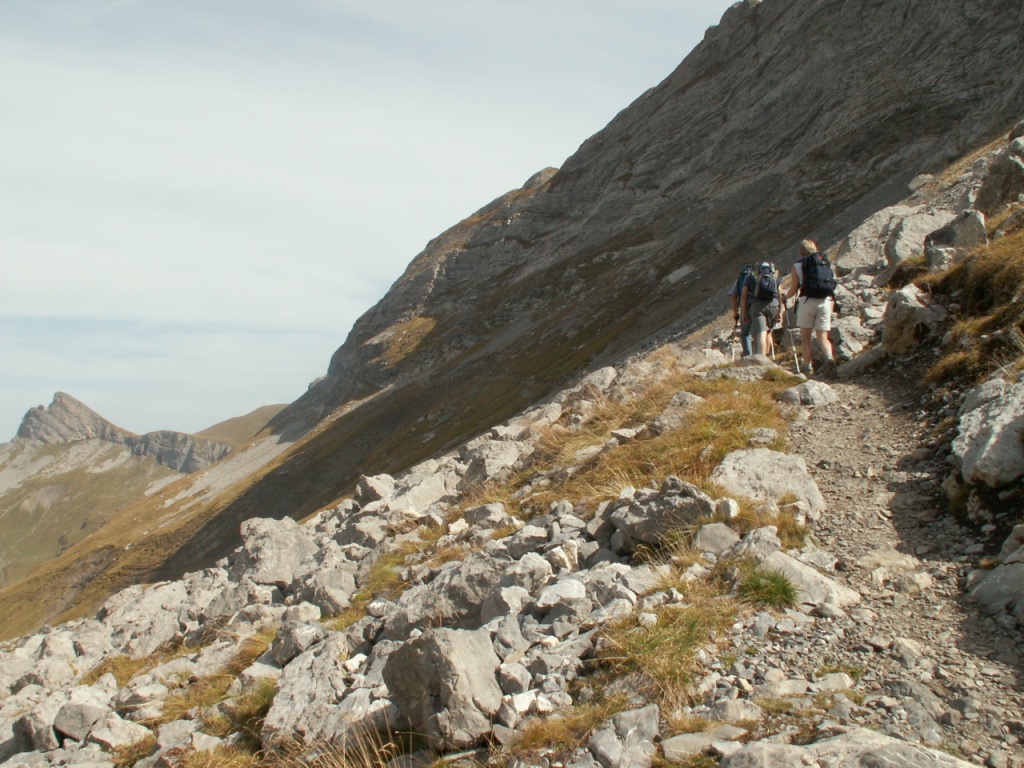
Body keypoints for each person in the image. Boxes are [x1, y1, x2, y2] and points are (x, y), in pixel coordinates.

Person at [785, 239, 838, 376]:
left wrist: (784, 298)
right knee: (823, 336)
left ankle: (808, 367)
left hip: (807, 301)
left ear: (801, 251)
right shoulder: (824, 262)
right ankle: (829, 358)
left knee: (805, 337)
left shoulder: (797, 266)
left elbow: (793, 289)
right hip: (825, 301)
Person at [740, 262, 780, 356]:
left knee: (762, 332)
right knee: (769, 331)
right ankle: (769, 356)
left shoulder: (749, 277)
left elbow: (743, 296)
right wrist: (780, 311)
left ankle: (763, 358)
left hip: (757, 307)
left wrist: (743, 313)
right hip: (773, 305)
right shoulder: (774, 276)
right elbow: (780, 293)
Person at [728, 266, 753, 356]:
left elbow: (733, 297)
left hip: (745, 308)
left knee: (745, 333)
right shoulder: (758, 278)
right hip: (760, 306)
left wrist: (735, 313)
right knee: (760, 333)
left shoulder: (739, 280)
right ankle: (762, 355)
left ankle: (748, 355)